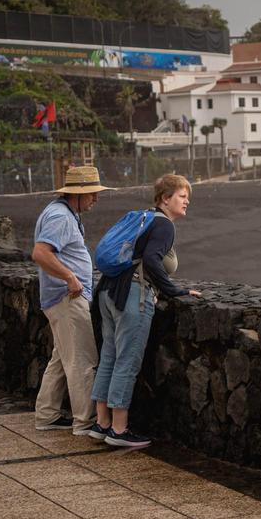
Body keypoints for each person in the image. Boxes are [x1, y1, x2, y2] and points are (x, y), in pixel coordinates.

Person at [90, 174, 201, 447]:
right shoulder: (164, 225)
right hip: (132, 294)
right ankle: (119, 430)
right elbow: (151, 260)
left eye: (187, 196)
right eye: (182, 196)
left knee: (109, 357)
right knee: (127, 361)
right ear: (165, 198)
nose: (187, 201)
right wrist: (174, 290)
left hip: (107, 291)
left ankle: (101, 423)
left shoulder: (145, 218)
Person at [31, 165, 111, 435]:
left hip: (59, 298)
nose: (95, 198)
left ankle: (47, 415)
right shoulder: (61, 217)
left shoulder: (61, 212)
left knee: (61, 359)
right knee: (82, 361)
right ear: (76, 194)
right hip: (67, 298)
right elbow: (40, 253)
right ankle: (85, 422)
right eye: (92, 193)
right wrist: (70, 277)